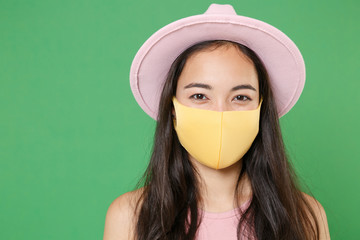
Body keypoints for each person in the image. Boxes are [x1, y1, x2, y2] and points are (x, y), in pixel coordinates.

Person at [103, 4, 330, 240]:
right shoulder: (130, 215)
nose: (220, 113)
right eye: (199, 96)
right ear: (172, 109)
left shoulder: (307, 215)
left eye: (241, 97)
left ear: (261, 110)